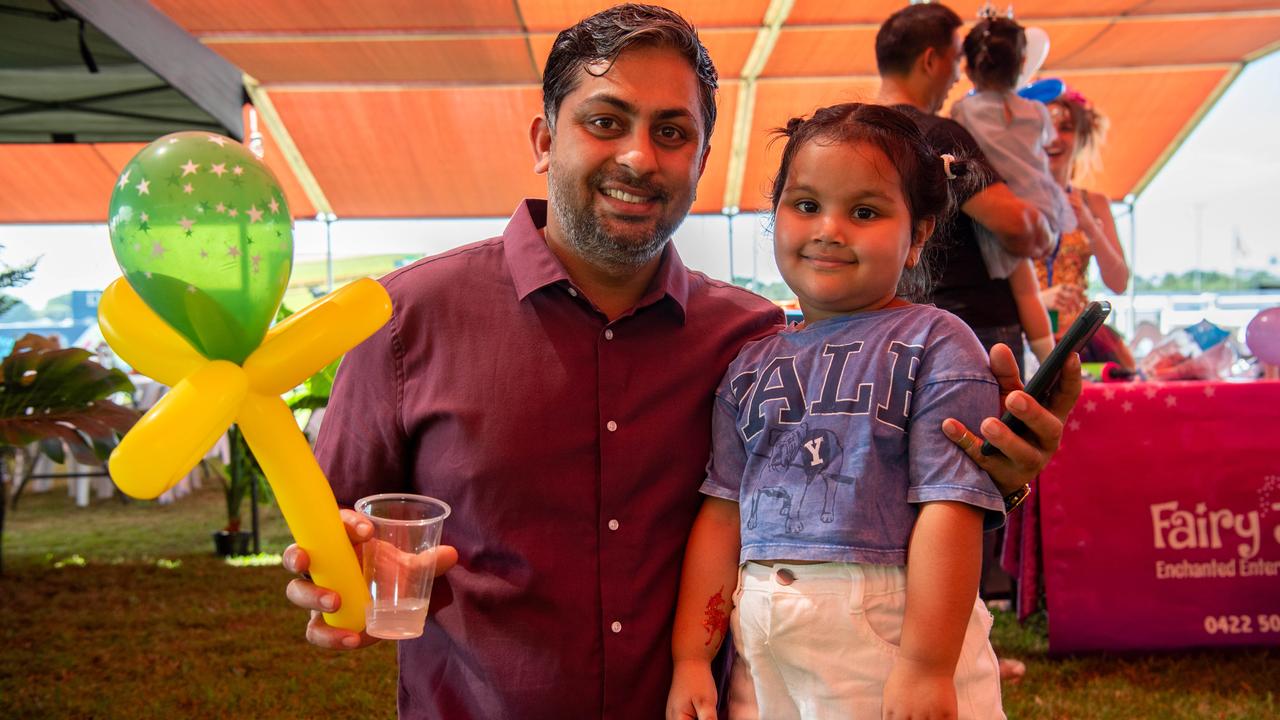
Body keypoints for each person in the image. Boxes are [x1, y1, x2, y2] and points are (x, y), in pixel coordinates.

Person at [282, 6, 1079, 719]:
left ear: (701, 160)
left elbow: (871, 464)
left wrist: (1000, 466)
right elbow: (333, 527)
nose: (639, 156)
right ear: (542, 138)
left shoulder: (755, 340)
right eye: (605, 121)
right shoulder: (406, 320)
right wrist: (332, 572)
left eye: (672, 132)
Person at [667, 103, 1006, 720]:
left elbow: (950, 510)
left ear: (919, 235)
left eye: (865, 212)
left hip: (890, 630)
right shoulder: (749, 364)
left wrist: (927, 667)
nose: (829, 228)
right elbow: (722, 515)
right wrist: (693, 656)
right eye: (805, 205)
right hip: (763, 639)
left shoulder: (939, 342)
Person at [874, 2, 1055, 374]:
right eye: (956, 59)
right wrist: (1044, 227)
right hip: (974, 327)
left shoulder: (858, 134)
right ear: (930, 60)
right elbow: (1018, 227)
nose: (960, 76)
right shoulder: (940, 133)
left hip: (898, 325)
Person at [951, 14, 1070, 365]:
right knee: (1029, 286)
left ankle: (1048, 361)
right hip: (1037, 200)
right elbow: (1043, 145)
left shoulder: (964, 111)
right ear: (1022, 63)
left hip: (998, 204)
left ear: (969, 69)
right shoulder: (1036, 112)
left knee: (1024, 287)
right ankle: (1051, 359)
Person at [1039, 89, 1133, 365]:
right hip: (1028, 334)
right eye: (1045, 128)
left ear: (1082, 137)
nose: (1054, 138)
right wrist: (1039, 298)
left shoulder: (1095, 203)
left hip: (1080, 339)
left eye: (1066, 128)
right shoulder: (1011, 201)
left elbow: (1119, 283)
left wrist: (1090, 226)